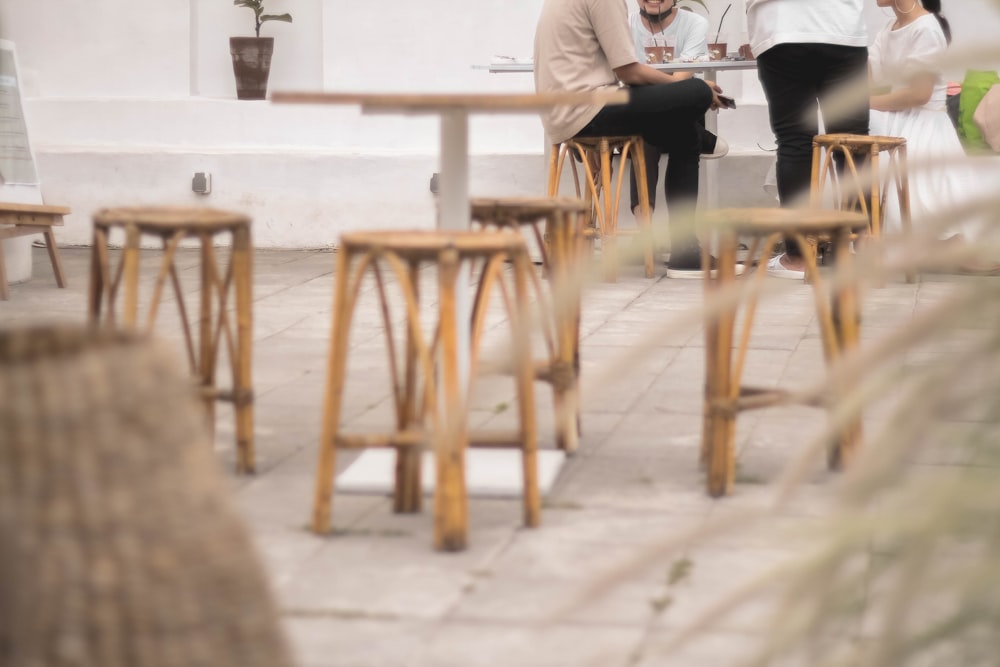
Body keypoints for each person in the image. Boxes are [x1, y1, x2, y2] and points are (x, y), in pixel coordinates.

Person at [534, 0, 730, 278]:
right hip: (588, 109)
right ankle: (686, 251)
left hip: (565, 111)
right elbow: (628, 70)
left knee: (683, 130)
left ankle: (686, 253)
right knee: (697, 92)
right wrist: (686, 88)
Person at [868, 0, 999, 273]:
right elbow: (872, 75)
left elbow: (919, 94)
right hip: (897, 119)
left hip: (924, 122)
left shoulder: (926, 28)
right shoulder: (888, 28)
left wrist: (868, 101)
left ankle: (953, 247)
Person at [746, 0, 870, 279]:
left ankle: (798, 257)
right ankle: (862, 247)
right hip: (841, 26)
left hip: (783, 27)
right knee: (852, 143)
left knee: (795, 142)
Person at [627, 0, 729, 226]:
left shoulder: (694, 23)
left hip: (669, 112)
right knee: (658, 131)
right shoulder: (625, 25)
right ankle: (680, 246)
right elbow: (624, 74)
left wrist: (688, 89)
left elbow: (681, 78)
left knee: (654, 124)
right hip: (653, 120)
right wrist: (700, 91)